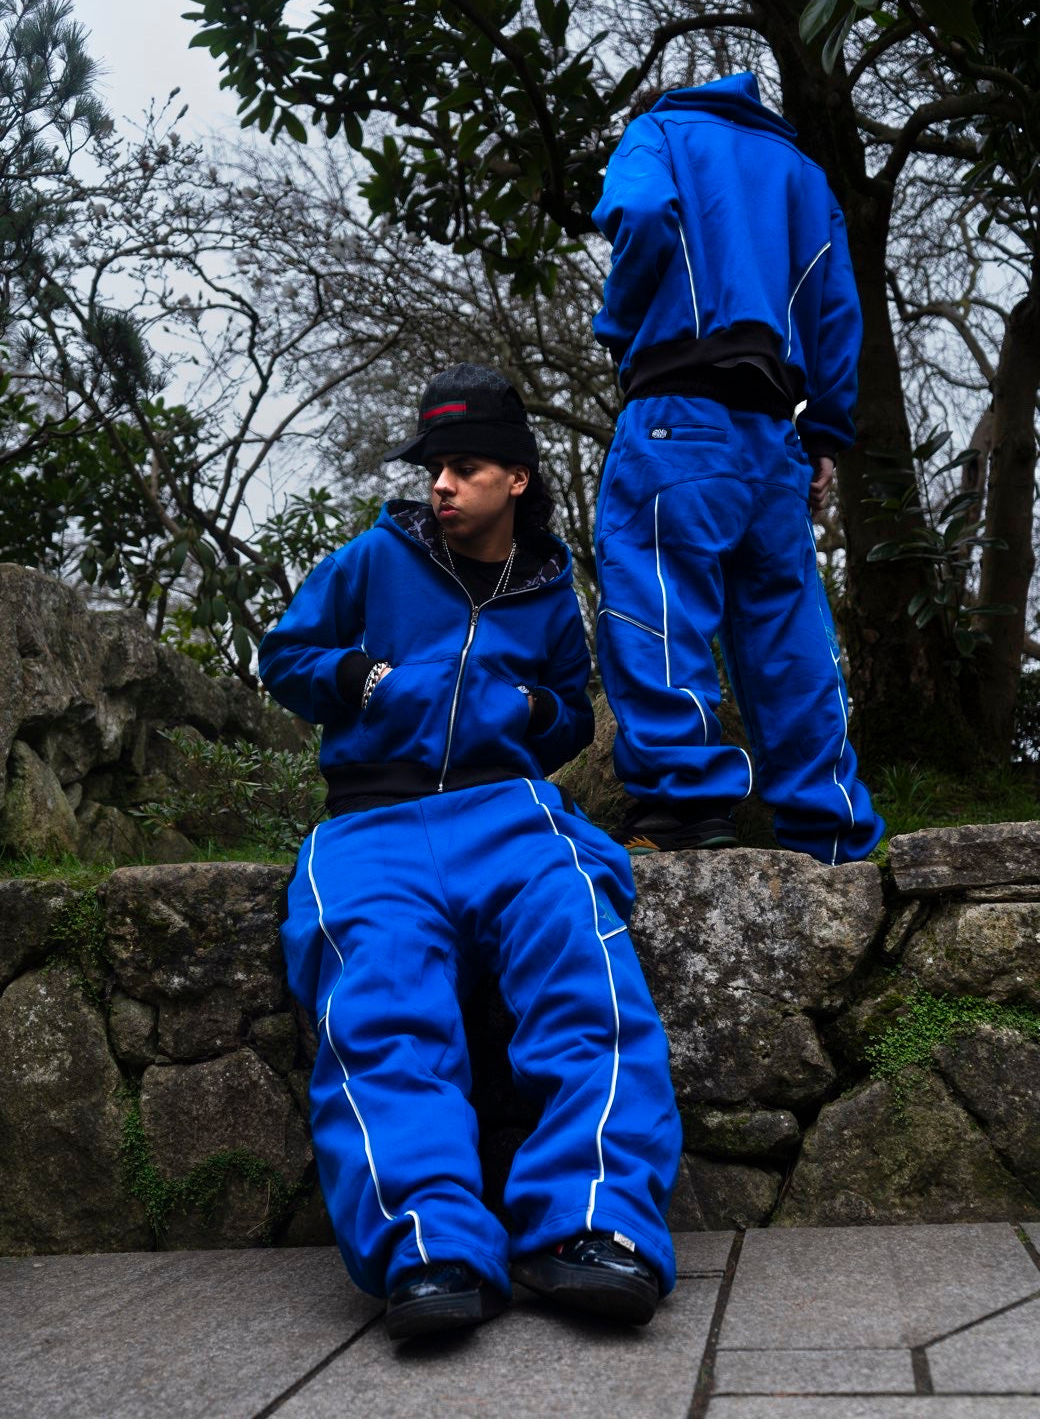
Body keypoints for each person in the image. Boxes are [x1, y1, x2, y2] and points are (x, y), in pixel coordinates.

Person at [258, 364, 682, 1341]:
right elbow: (284, 658)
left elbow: (572, 716)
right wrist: (362, 681)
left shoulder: (547, 590)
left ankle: (592, 1227)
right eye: (432, 468)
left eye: (463, 467)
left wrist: (530, 712)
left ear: (516, 479)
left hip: (507, 814)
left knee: (588, 977)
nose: (440, 485)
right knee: (380, 1004)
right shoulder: (372, 559)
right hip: (372, 823)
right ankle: (430, 1246)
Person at [591, 70, 885, 865]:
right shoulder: (804, 173)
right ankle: (828, 828)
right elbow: (836, 309)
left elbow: (645, 213)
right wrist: (824, 432)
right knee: (788, 636)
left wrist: (619, 322)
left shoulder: (658, 134)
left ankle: (687, 811)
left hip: (675, 417)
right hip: (774, 437)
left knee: (657, 606)